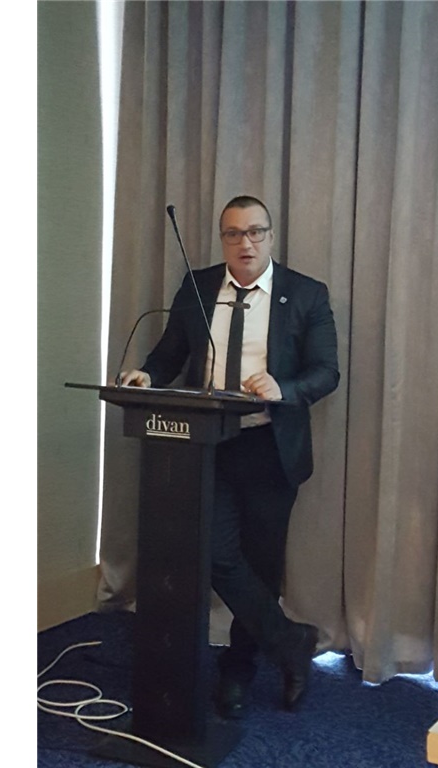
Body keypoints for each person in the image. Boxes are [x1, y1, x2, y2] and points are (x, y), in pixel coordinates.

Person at [119, 195, 340, 717]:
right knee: (214, 553)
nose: (246, 243)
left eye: (256, 232)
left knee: (260, 567)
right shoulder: (197, 287)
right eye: (234, 233)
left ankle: (238, 672)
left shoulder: (306, 294)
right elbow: (170, 353)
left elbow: (326, 371)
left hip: (270, 447)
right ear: (223, 239)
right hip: (206, 445)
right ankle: (290, 642)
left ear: (271, 236)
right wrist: (147, 375)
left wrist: (284, 388)